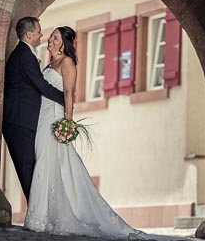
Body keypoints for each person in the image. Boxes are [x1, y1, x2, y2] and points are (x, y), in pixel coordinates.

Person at [23, 26, 145, 239]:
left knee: (53, 162)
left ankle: (49, 217)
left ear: (64, 42)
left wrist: (68, 124)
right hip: (42, 118)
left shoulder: (67, 63)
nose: (50, 39)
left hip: (55, 117)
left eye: (55, 37)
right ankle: (42, 216)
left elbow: (69, 94)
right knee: (45, 162)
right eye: (50, 36)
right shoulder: (50, 64)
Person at [2, 17, 65, 202]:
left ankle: (38, 212)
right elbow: (41, 85)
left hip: (25, 121)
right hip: (20, 122)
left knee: (31, 168)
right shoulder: (24, 55)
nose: (41, 35)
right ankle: (37, 215)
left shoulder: (25, 54)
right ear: (29, 34)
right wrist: (66, 100)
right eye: (39, 32)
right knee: (27, 169)